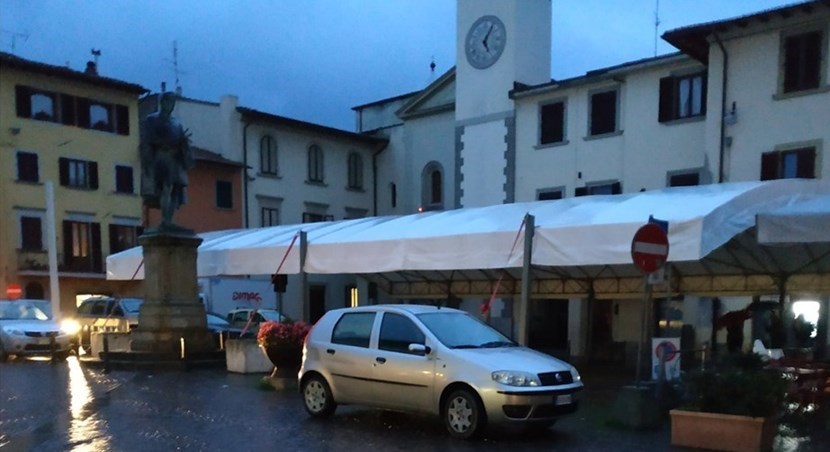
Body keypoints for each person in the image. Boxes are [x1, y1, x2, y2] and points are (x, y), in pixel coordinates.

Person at [140, 92, 194, 229]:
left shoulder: (177, 123)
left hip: (176, 159)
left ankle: (169, 219)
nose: (170, 106)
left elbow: (182, 141)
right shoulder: (152, 120)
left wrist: (184, 143)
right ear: (162, 102)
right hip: (162, 157)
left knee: (176, 190)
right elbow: (148, 139)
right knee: (166, 187)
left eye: (172, 103)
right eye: (168, 102)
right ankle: (166, 220)